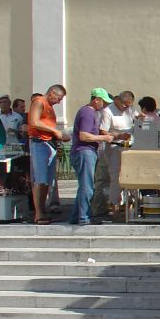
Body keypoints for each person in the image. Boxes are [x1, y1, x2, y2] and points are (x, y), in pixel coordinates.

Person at [68, 88, 117, 226]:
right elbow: (84, 135)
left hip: (86, 151)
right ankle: (84, 218)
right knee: (87, 186)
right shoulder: (88, 112)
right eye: (104, 102)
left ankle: (75, 216)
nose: (106, 105)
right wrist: (104, 137)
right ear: (96, 99)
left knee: (84, 185)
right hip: (84, 151)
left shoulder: (90, 112)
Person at [27, 84, 70, 224]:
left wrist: (58, 135)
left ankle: (42, 211)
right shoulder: (39, 101)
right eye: (59, 98)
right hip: (39, 143)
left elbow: (45, 125)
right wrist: (55, 131)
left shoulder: (49, 107)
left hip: (48, 144)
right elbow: (34, 121)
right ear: (52, 93)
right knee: (40, 180)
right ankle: (38, 214)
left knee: (47, 181)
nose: (59, 102)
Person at [97, 90, 136, 214]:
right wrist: (119, 135)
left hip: (129, 147)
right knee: (116, 176)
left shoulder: (130, 110)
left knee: (131, 174)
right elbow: (103, 131)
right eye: (124, 104)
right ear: (118, 100)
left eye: (129, 105)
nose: (126, 107)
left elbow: (138, 118)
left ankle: (130, 201)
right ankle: (114, 203)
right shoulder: (108, 111)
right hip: (114, 147)